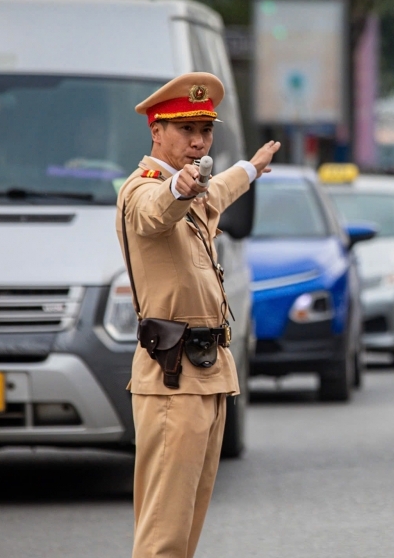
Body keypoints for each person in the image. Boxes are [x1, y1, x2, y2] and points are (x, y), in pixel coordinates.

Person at [115, 72, 281, 558]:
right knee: (163, 536)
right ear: (156, 132)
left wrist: (250, 168)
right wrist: (178, 190)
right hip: (172, 378)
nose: (197, 141)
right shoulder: (143, 191)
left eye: (205, 131)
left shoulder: (196, 189)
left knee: (186, 529)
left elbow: (217, 194)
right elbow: (155, 212)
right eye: (185, 129)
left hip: (204, 374)